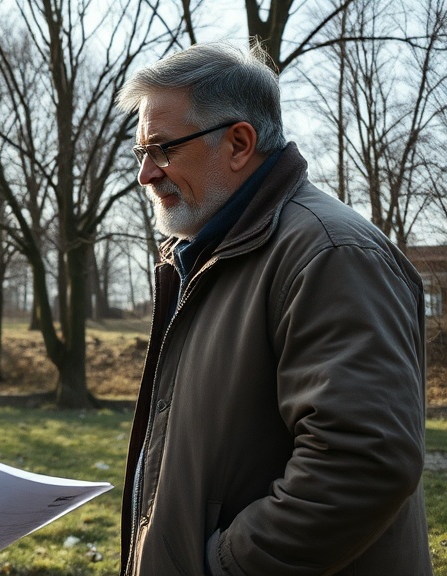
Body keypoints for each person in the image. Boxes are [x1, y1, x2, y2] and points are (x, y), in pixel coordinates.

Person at [116, 41, 432, 575]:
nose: (146, 173)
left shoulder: (331, 254)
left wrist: (225, 566)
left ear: (239, 143)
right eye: (141, 152)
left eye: (164, 149)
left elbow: (361, 463)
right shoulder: (208, 257)